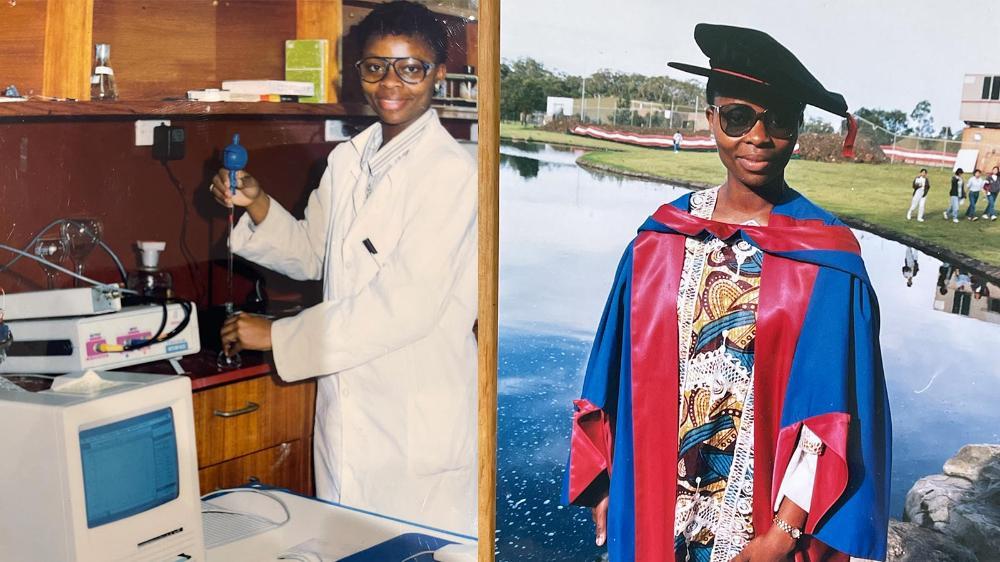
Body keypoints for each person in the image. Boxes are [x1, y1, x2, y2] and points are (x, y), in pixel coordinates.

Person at [564, 24, 890, 562]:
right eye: (738, 116)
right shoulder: (659, 240)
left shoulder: (827, 257)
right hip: (651, 502)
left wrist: (783, 535)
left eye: (779, 119)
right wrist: (601, 477)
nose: (758, 138)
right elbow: (612, 367)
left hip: (760, 522)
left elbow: (831, 413)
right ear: (711, 118)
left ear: (800, 127)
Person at [208, 1, 477, 534]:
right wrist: (259, 204)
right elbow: (315, 253)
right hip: (348, 417)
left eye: (411, 67)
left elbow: (403, 308)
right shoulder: (348, 159)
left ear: (439, 75)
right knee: (349, 542)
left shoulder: (452, 173)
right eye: (375, 66)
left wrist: (278, 335)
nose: (390, 83)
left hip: (416, 427)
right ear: (357, 72)